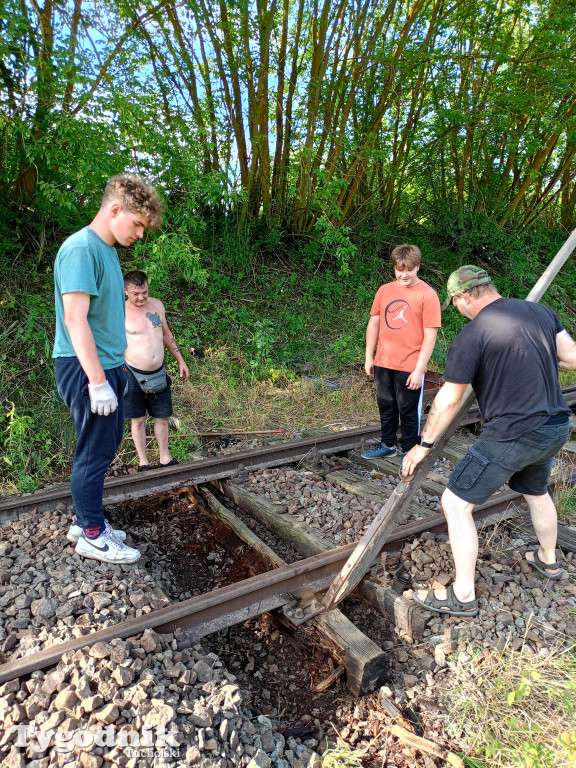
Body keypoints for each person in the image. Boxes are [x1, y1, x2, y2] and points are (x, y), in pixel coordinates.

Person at [401, 265, 576, 616]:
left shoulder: (472, 335)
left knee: (455, 503)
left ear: (465, 296)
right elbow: (572, 358)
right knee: (536, 491)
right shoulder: (540, 313)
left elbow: (448, 401)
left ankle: (463, 595)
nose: (460, 311)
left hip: (513, 434)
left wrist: (424, 444)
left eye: (457, 304)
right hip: (556, 426)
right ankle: (548, 560)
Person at [53, 174, 163, 564]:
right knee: (95, 452)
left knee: (102, 447)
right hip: (88, 369)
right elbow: (74, 319)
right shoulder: (81, 249)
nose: (140, 235)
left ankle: (87, 520)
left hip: (109, 366)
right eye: (137, 225)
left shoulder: (107, 251)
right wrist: (98, 381)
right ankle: (93, 535)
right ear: (115, 209)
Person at [362, 244, 441, 459]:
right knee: (386, 406)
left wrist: (419, 369)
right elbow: (374, 324)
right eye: (399, 269)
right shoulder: (385, 290)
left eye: (408, 269)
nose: (403, 275)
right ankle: (387, 445)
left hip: (410, 364)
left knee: (408, 410)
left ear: (417, 267)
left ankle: (409, 451)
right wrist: (369, 356)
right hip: (384, 361)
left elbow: (430, 336)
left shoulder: (427, 295)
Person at [123, 270, 190, 471]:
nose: (141, 297)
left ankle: (165, 458)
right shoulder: (119, 312)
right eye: (136, 293)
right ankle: (143, 462)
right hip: (131, 372)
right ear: (126, 291)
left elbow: (166, 334)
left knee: (163, 416)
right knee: (139, 419)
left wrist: (181, 360)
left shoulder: (157, 305)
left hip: (158, 372)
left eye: (144, 291)